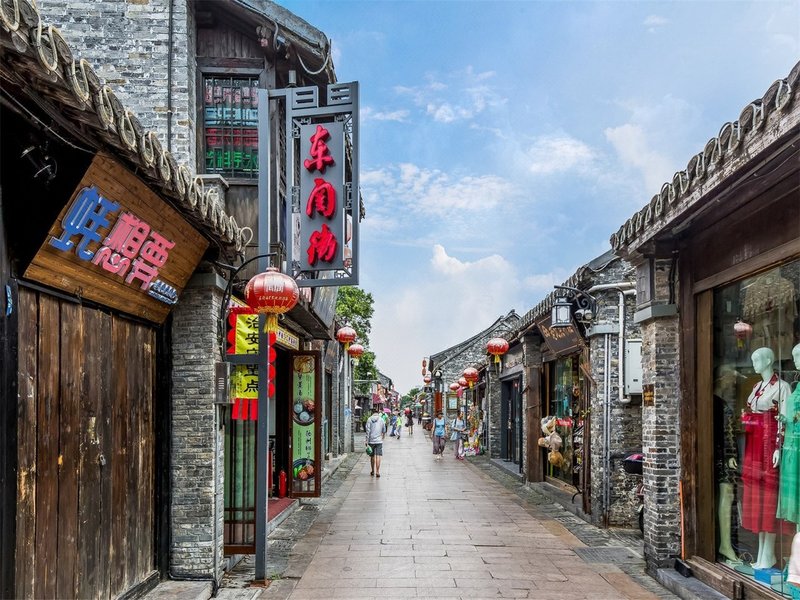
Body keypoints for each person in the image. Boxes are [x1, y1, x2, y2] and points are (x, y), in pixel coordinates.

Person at [741, 346, 792, 569]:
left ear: (769, 360)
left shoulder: (782, 387)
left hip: (769, 444)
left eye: (757, 360)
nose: (753, 364)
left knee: (769, 494)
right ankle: (762, 551)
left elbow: (785, 420)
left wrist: (779, 447)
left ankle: (769, 552)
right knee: (757, 495)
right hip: (754, 443)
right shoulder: (756, 387)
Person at [777, 344, 800, 524]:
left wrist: (792, 419)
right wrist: (786, 419)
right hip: (792, 443)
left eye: (798, 355)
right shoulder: (797, 385)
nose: (795, 360)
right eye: (794, 356)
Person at [364, 405, 386, 477]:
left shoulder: (369, 419)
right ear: (377, 413)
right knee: (378, 456)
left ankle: (373, 471)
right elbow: (384, 430)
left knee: (372, 456)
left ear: (372, 413)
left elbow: (367, 431)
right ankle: (378, 471)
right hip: (379, 441)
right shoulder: (381, 419)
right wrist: (383, 436)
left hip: (371, 441)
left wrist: (366, 440)